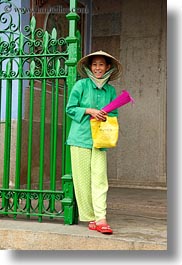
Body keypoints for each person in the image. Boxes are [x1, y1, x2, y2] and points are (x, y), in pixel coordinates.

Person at [66, 50, 122, 234]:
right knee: (82, 180)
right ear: (90, 67)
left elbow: (114, 114)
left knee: (100, 178)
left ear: (108, 67)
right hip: (79, 138)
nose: (98, 68)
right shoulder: (81, 85)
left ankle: (101, 217)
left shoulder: (111, 90)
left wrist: (105, 115)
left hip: (100, 139)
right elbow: (70, 109)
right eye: (94, 64)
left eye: (101, 65)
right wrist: (89, 110)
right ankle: (91, 217)